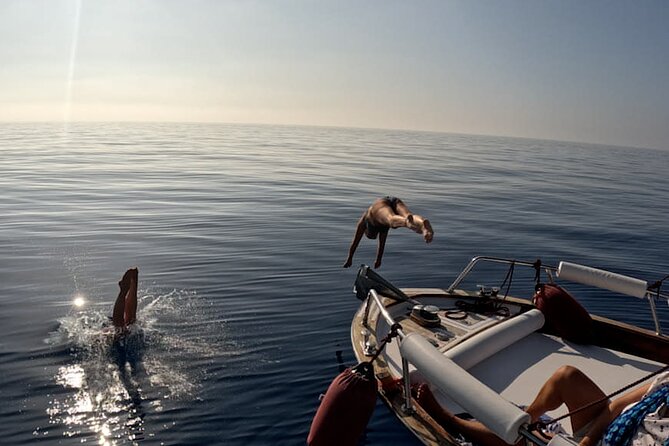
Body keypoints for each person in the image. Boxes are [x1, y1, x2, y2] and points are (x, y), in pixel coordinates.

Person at [412, 365, 668, 446]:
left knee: (526, 437)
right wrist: (587, 441)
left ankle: (449, 420)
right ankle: (528, 416)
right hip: (607, 431)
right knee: (567, 377)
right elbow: (616, 406)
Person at [343, 197, 433, 269]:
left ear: (368, 230)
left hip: (378, 208)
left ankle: (406, 223)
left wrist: (349, 258)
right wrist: (378, 260)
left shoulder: (364, 222)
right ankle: (423, 226)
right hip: (393, 200)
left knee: (391, 219)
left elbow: (355, 242)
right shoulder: (382, 228)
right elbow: (381, 245)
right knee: (409, 216)